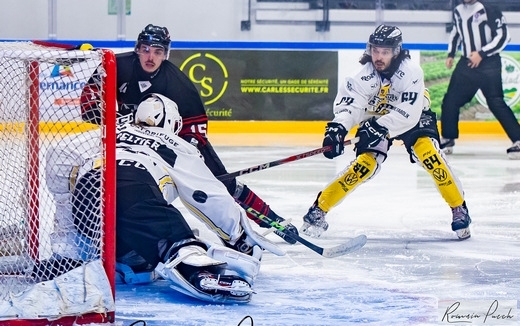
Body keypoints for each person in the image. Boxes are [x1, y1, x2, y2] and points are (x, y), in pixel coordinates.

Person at [45, 93, 285, 303]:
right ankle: (193, 266)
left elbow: (60, 152)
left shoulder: (112, 128)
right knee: (170, 229)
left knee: (139, 258)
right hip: (132, 188)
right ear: (172, 122)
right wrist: (237, 235)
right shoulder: (173, 143)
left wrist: (66, 206)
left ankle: (125, 261)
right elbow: (205, 195)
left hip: (86, 199)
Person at [80, 23, 298, 243]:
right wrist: (114, 122)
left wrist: (184, 153)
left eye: (157, 52)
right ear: (137, 49)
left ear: (166, 54)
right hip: (131, 138)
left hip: (172, 138)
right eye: (145, 49)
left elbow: (197, 126)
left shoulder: (177, 82)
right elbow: (88, 100)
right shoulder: (117, 65)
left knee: (224, 184)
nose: (150, 57)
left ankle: (274, 221)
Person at [299, 25, 472, 240]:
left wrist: (381, 127)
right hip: (375, 117)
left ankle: (458, 207)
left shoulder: (411, 72)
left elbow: (408, 113)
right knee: (364, 166)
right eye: (375, 50)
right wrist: (339, 128)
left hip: (415, 115)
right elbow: (350, 106)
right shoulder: (361, 76)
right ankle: (319, 208)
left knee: (429, 154)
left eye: (385, 52)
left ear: (396, 51)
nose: (378, 57)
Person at [440, 0, 520, 159]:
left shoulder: (489, 9)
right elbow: (456, 32)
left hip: (488, 63)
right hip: (467, 62)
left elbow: (504, 36)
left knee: (495, 101)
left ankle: (518, 140)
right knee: (450, 100)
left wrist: (482, 53)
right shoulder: (458, 11)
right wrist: (451, 54)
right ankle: (448, 138)